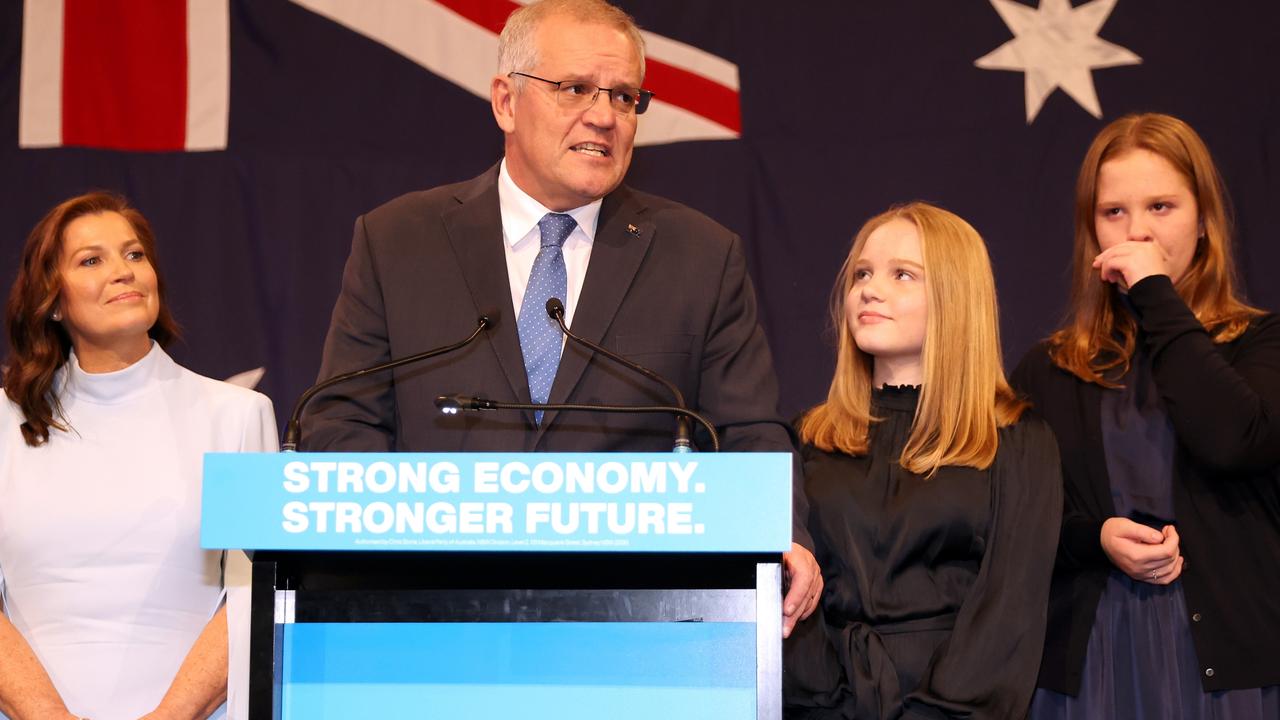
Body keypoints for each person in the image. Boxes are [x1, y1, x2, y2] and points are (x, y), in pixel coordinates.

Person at [299, 0, 821, 632]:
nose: (603, 116)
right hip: (428, 616)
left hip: (637, 624)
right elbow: (341, 421)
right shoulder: (397, 241)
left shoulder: (702, 256)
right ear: (505, 101)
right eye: (574, 88)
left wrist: (781, 534)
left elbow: (747, 433)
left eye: (625, 97)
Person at [1016, 113, 1280, 718]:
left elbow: (1234, 440)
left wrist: (1156, 292)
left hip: (1228, 663)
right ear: (1091, 230)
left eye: (1161, 207)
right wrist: (1096, 538)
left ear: (1205, 220)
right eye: (1114, 212)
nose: (1137, 231)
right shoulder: (1049, 367)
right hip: (1092, 658)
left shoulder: (1263, 343)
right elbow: (1015, 522)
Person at [0, 192, 277, 720]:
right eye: (91, 260)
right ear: (53, 300)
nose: (124, 272)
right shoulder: (2, 422)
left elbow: (250, 597)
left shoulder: (237, 415)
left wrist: (168, 717)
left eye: (134, 255)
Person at [783, 202, 1062, 719]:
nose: (869, 288)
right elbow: (790, 602)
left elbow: (1009, 612)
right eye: (862, 273)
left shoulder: (1017, 440)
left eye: (902, 274)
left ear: (956, 299)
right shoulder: (805, 437)